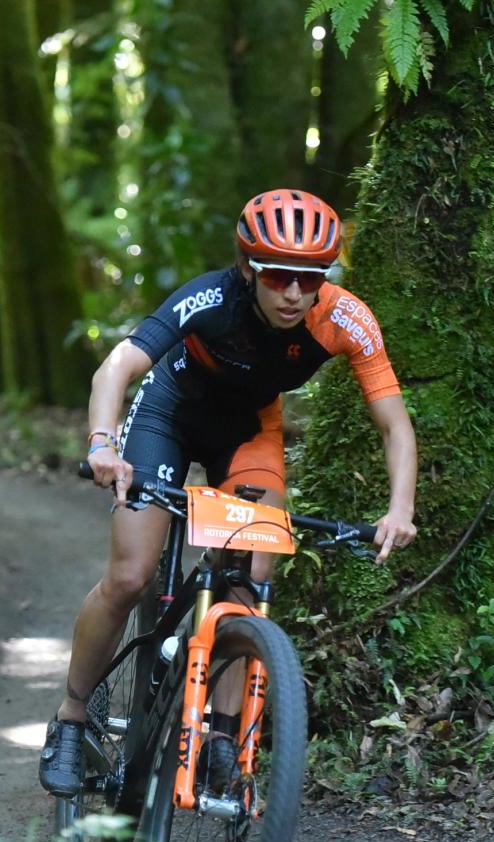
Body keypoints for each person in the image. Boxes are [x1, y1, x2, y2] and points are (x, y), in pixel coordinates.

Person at [39, 188, 418, 797]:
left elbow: (394, 423)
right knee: (130, 575)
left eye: (309, 278)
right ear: (248, 268)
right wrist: (103, 443)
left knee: (249, 575)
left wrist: (400, 509)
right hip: (168, 413)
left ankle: (218, 734)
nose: (293, 293)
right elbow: (117, 366)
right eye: (277, 276)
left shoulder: (344, 317)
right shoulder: (210, 297)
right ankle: (71, 716)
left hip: (247, 431)